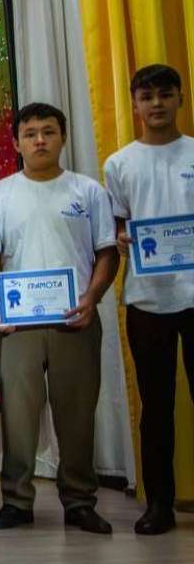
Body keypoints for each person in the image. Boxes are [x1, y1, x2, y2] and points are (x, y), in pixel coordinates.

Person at [0, 102, 118, 534]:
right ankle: (17, 503)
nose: (39, 140)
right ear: (17, 142)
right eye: (30, 133)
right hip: (17, 323)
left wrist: (91, 299)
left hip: (74, 319)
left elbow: (107, 252)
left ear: (63, 137)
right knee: (17, 417)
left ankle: (79, 501)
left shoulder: (88, 191)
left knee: (77, 415)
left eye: (48, 132)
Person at [102, 64, 194, 536]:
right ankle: (159, 503)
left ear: (180, 97)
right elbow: (119, 226)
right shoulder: (119, 163)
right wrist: (120, 239)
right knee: (156, 408)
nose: (156, 104)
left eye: (165, 94)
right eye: (147, 97)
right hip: (146, 300)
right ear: (135, 105)